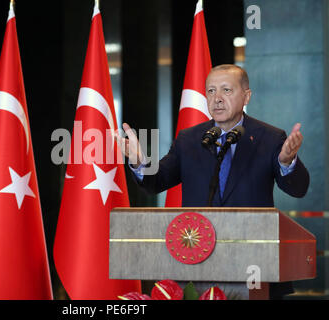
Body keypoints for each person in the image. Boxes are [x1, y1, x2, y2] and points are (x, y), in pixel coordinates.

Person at [115, 64, 310, 299]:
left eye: (226, 90)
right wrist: (139, 162)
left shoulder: (269, 137)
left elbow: (298, 189)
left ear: (246, 96)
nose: (216, 99)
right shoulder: (189, 139)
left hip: (254, 266)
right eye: (210, 91)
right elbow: (157, 181)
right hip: (196, 263)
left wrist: (287, 162)